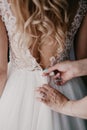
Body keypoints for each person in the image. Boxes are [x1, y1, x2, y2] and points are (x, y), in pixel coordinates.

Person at [0, 0, 87, 130]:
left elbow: (1, 72)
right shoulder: (80, 2)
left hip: (16, 95)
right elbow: (82, 59)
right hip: (65, 85)